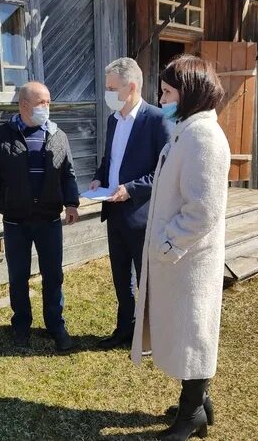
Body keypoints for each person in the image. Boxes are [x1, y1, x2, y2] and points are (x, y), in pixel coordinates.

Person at [130, 54, 230, 441]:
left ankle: (190, 417)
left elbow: (203, 210)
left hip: (189, 259)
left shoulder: (203, 137)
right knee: (188, 332)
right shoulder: (186, 130)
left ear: (188, 93)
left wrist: (167, 241)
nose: (162, 96)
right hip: (181, 259)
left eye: (168, 90)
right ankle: (199, 404)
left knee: (195, 335)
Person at [0, 81, 79, 351]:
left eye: (49, 102)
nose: (47, 107)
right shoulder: (0, 136)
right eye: (42, 103)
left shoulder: (58, 135)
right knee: (18, 276)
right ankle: (21, 326)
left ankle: (55, 324)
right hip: (15, 221)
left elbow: (68, 173)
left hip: (48, 220)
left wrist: (71, 203)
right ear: (24, 105)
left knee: (53, 275)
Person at [89, 57, 170, 349]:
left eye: (112, 87)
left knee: (147, 280)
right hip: (114, 211)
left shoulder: (157, 120)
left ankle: (150, 337)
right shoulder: (114, 120)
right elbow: (109, 160)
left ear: (131, 86)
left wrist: (131, 189)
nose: (107, 93)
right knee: (121, 277)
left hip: (142, 214)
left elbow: (165, 171)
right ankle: (125, 329)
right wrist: (100, 178)